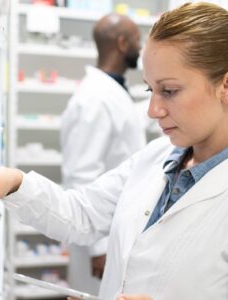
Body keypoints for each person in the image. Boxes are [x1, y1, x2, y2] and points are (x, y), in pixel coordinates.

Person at [0, 2, 228, 299]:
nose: (153, 110)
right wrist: (13, 183)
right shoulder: (156, 156)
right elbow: (82, 214)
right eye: (151, 89)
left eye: (169, 91)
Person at [60, 14, 146, 292]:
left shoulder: (112, 90)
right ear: (122, 43)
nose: (140, 47)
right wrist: (97, 247)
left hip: (116, 226)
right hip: (98, 235)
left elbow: (126, 126)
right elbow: (80, 174)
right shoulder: (94, 99)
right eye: (137, 40)